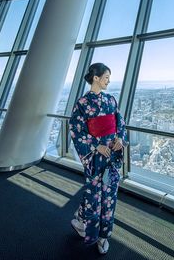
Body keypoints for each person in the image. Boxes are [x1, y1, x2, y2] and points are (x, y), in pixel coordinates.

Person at [69, 62, 127, 255]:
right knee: (94, 194)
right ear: (96, 78)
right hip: (95, 157)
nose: (108, 82)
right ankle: (91, 232)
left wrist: (119, 138)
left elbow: (120, 122)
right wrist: (95, 145)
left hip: (111, 156)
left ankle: (103, 236)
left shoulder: (111, 100)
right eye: (106, 78)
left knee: (109, 195)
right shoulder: (82, 104)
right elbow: (77, 130)